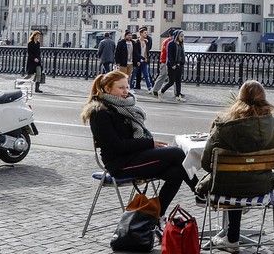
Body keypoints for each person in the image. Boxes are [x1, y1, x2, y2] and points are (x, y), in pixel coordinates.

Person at [82, 70, 198, 229]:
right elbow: (117, 146)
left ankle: (155, 217)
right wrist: (149, 144)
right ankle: (200, 191)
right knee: (176, 153)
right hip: (120, 164)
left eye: (127, 87)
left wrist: (147, 145)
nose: (126, 91)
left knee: (176, 172)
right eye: (121, 88)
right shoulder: (100, 112)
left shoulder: (123, 107)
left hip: (135, 156)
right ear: (107, 89)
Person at [197, 80, 274, 254]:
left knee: (233, 177)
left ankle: (231, 238)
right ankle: (232, 237)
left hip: (225, 187)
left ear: (239, 99)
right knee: (241, 175)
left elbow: (206, 164)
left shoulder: (222, 125)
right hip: (260, 187)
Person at [158, 29, 185, 102]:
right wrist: (173, 64)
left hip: (179, 64)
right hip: (171, 65)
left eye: (183, 36)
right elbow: (169, 55)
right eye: (181, 36)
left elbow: (182, 54)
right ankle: (161, 92)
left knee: (178, 81)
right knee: (171, 82)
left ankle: (178, 96)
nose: (182, 37)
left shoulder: (181, 44)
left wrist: (182, 62)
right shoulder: (170, 44)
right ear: (177, 36)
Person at [133, 27, 154, 93]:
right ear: (141, 33)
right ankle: (132, 86)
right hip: (141, 59)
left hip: (144, 60)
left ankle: (149, 87)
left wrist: (145, 57)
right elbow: (136, 52)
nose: (146, 34)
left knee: (146, 74)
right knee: (136, 74)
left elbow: (147, 48)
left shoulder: (147, 40)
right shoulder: (138, 41)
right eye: (145, 32)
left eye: (146, 32)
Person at [150, 34, 172, 98]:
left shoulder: (170, 41)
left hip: (167, 61)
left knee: (169, 76)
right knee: (163, 74)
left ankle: (177, 92)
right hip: (165, 61)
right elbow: (166, 51)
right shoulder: (167, 41)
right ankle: (155, 89)